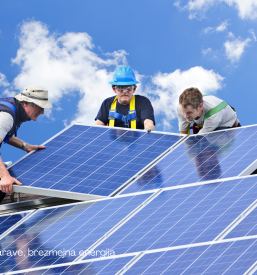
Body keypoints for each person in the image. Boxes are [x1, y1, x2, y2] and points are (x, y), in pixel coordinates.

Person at [0, 85, 52, 200]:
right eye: (40, 106)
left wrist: (25, 146)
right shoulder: (6, 116)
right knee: (5, 181)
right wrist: (4, 176)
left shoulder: (12, 109)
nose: (42, 112)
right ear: (25, 103)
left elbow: (4, 133)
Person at [95, 66, 155, 131]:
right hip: (112, 140)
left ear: (134, 89)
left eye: (129, 87)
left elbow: (148, 124)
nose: (125, 91)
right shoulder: (107, 103)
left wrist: (148, 131)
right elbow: (98, 127)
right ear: (114, 89)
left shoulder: (143, 102)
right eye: (121, 87)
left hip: (137, 140)